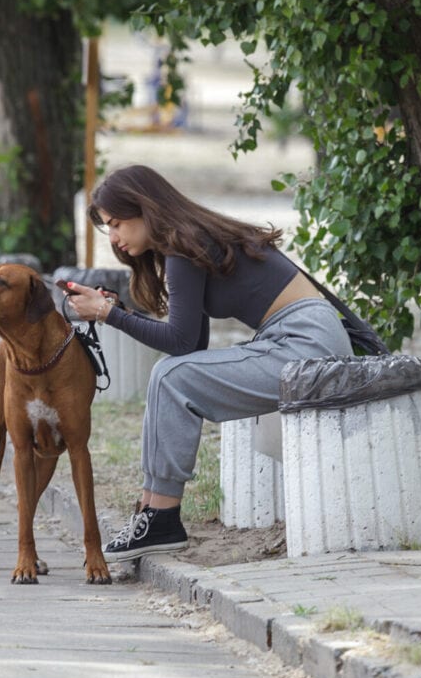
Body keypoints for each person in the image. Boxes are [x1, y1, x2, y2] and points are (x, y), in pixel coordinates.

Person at [62, 165, 354, 562]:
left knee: (169, 376)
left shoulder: (184, 248)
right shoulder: (187, 241)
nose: (113, 238)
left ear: (144, 209)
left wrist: (107, 315)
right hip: (297, 341)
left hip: (307, 344)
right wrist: (114, 311)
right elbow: (191, 346)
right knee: (170, 374)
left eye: (116, 224)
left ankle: (161, 515)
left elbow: (180, 344)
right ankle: (151, 511)